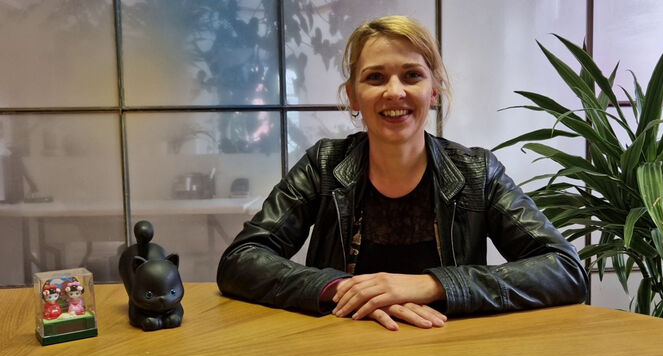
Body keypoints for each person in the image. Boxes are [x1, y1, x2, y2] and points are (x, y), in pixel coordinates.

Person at [216, 15, 587, 331]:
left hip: (452, 353)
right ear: (352, 96)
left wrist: (431, 285)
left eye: (412, 75)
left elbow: (566, 269)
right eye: (375, 77)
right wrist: (343, 289)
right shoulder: (324, 165)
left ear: (434, 91)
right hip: (337, 350)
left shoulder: (477, 173)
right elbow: (241, 259)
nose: (394, 92)